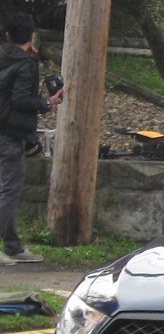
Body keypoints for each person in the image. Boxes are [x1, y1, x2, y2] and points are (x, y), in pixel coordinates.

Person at [0, 13, 63, 265]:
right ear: (30, 36)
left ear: (7, 36)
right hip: (12, 133)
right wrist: (48, 102)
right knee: (9, 190)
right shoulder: (26, 64)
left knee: (8, 189)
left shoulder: (7, 57)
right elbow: (20, 100)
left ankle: (13, 245)